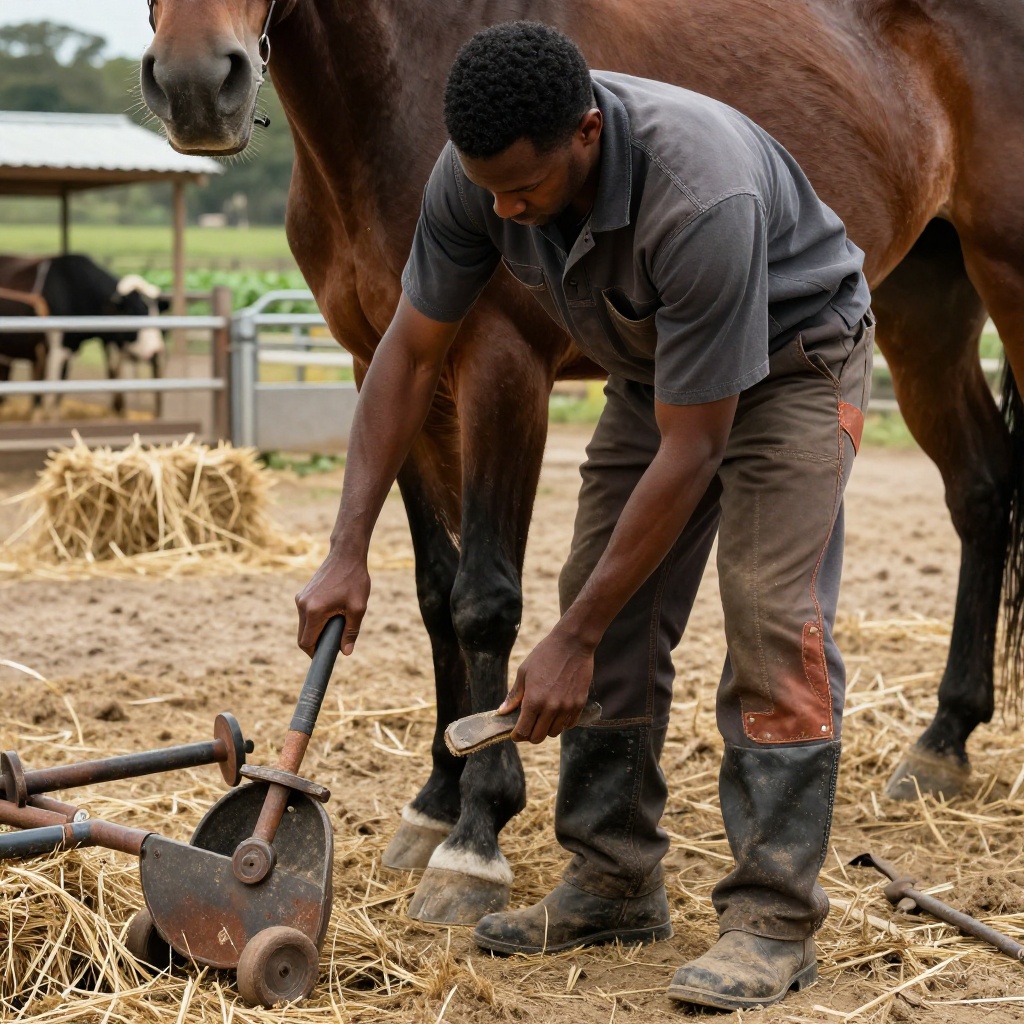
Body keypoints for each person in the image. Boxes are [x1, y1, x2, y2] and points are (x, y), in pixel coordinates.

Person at [295, 20, 873, 1012]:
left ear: (588, 136)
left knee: (771, 616)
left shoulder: (698, 192)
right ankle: (613, 880)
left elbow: (694, 451)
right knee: (598, 598)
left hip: (795, 362)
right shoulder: (475, 177)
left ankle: (772, 916)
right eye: (490, 192)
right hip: (660, 370)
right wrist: (346, 547)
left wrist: (570, 637)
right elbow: (404, 354)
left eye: (524, 189)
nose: (506, 210)